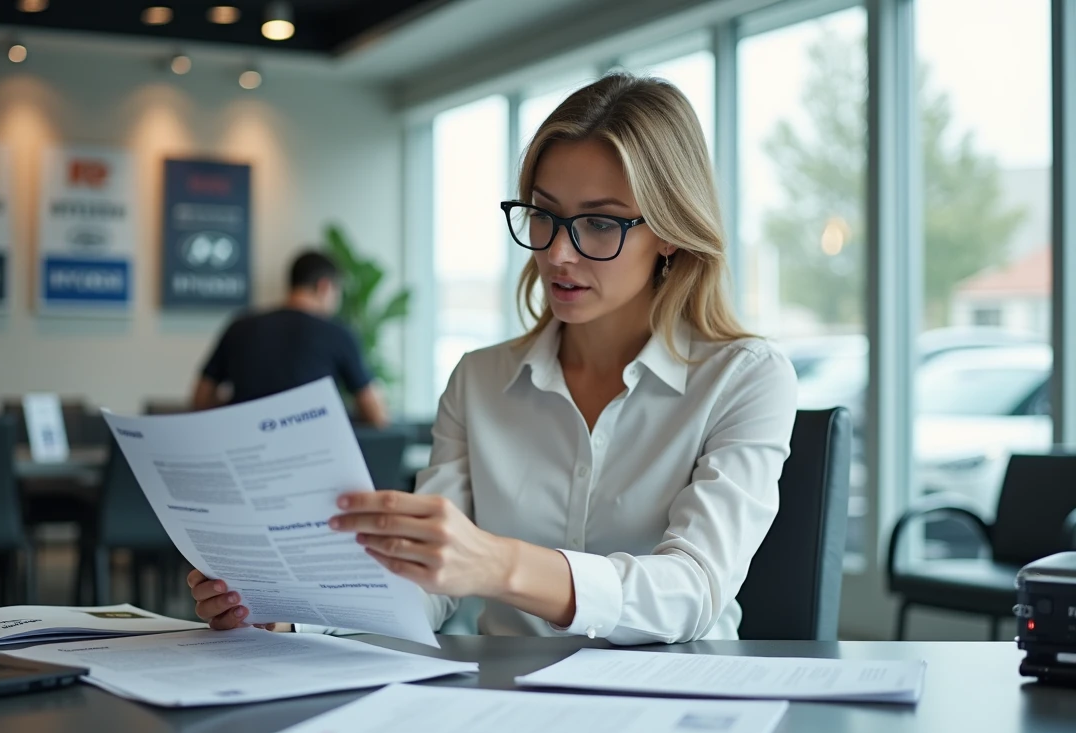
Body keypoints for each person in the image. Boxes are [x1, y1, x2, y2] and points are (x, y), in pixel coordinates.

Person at [187, 73, 797, 644]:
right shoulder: (479, 381)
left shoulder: (745, 378)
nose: (558, 253)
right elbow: (425, 584)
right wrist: (292, 610)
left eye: (600, 224)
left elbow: (693, 589)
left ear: (668, 231)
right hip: (507, 707)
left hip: (679, 708)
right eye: (544, 215)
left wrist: (498, 563)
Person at [191, 250, 389, 428]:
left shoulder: (239, 326)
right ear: (324, 287)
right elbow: (376, 415)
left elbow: (201, 398)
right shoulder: (337, 333)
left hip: (248, 456)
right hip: (313, 458)